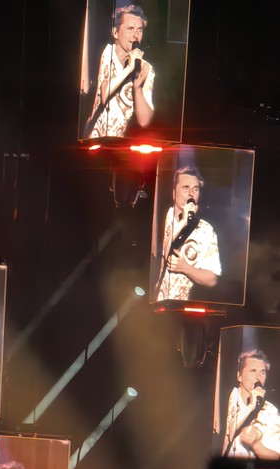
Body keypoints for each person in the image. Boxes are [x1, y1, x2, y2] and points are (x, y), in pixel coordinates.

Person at [86, 4, 154, 139]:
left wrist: (138, 88)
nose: (136, 35)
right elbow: (105, 95)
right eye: (130, 29)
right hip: (94, 139)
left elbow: (144, 121)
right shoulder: (108, 52)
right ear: (115, 33)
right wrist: (129, 69)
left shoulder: (146, 68)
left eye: (139, 30)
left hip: (119, 143)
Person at [156, 166, 221, 302]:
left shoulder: (206, 230)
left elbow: (212, 279)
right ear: (174, 193)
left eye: (195, 189)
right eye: (185, 188)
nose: (191, 193)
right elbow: (166, 252)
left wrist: (186, 268)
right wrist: (183, 222)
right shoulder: (161, 218)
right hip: (159, 305)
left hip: (188, 305)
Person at [222, 349, 280, 458]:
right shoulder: (227, 398)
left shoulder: (270, 411)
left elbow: (276, 456)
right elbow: (231, 432)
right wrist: (251, 406)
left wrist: (256, 444)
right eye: (253, 371)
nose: (259, 377)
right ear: (239, 376)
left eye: (262, 372)